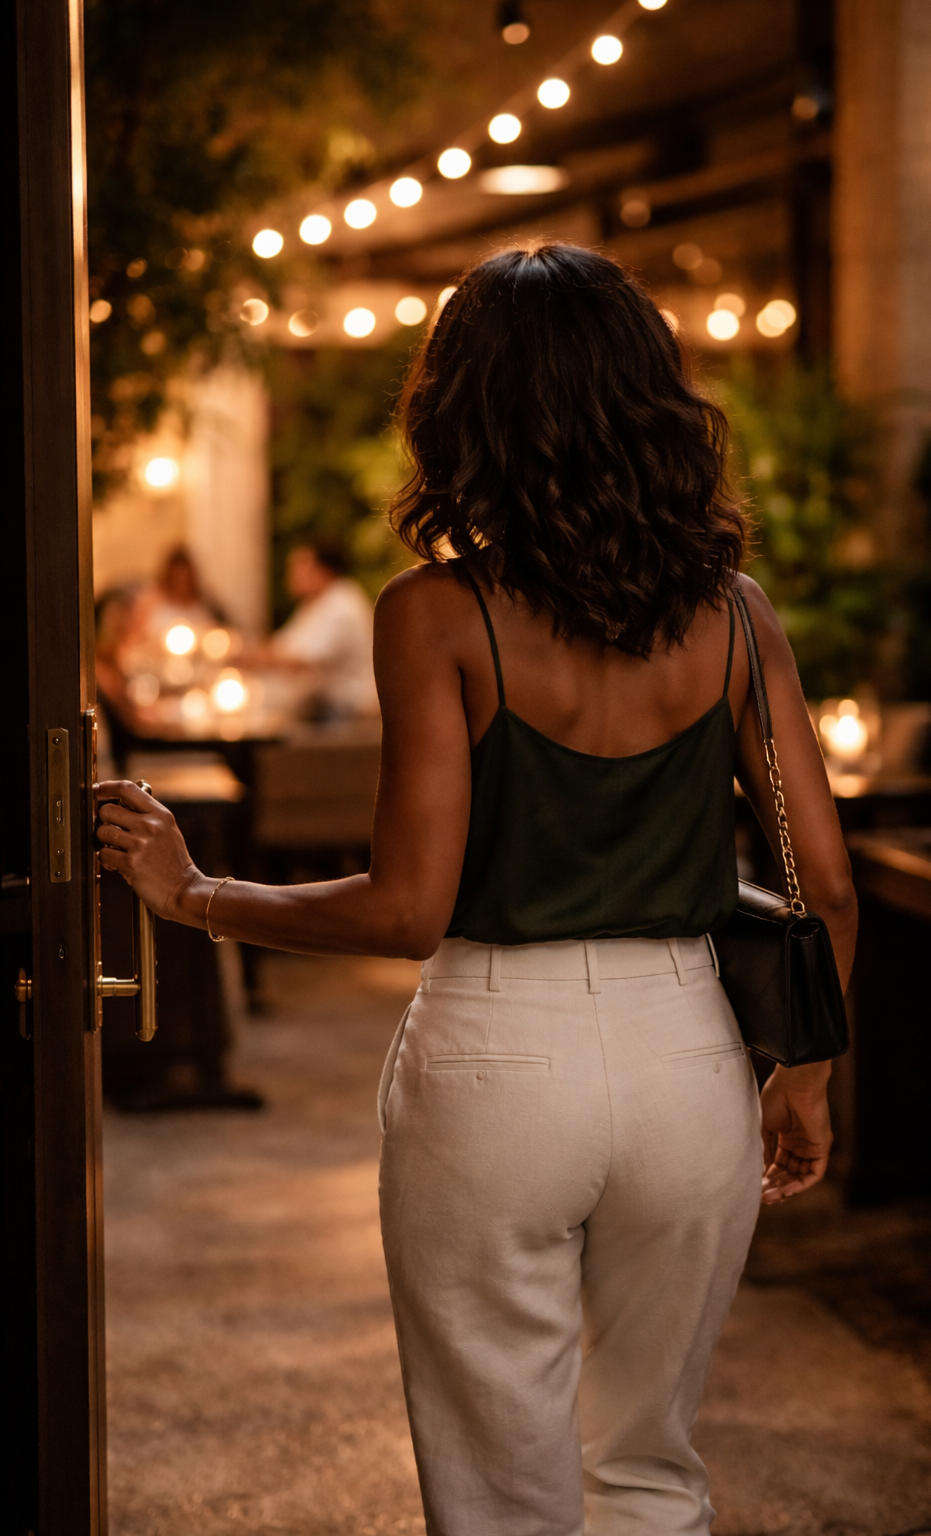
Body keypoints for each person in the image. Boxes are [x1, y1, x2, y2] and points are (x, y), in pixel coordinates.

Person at [97, 244, 857, 1536]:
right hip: (692, 1059)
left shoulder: (439, 615)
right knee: (654, 1469)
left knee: (500, 1491)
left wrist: (195, 894)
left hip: (500, 1061)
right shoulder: (737, 616)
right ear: (651, 399)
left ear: (465, 412)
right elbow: (824, 882)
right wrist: (805, 1075)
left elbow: (409, 909)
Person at [256, 538, 377, 720]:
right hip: (324, 700)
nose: (291, 573)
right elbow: (281, 646)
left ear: (323, 570)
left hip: (347, 706)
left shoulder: (343, 603)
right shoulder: (314, 604)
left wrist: (248, 657)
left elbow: (302, 660)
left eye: (299, 566)